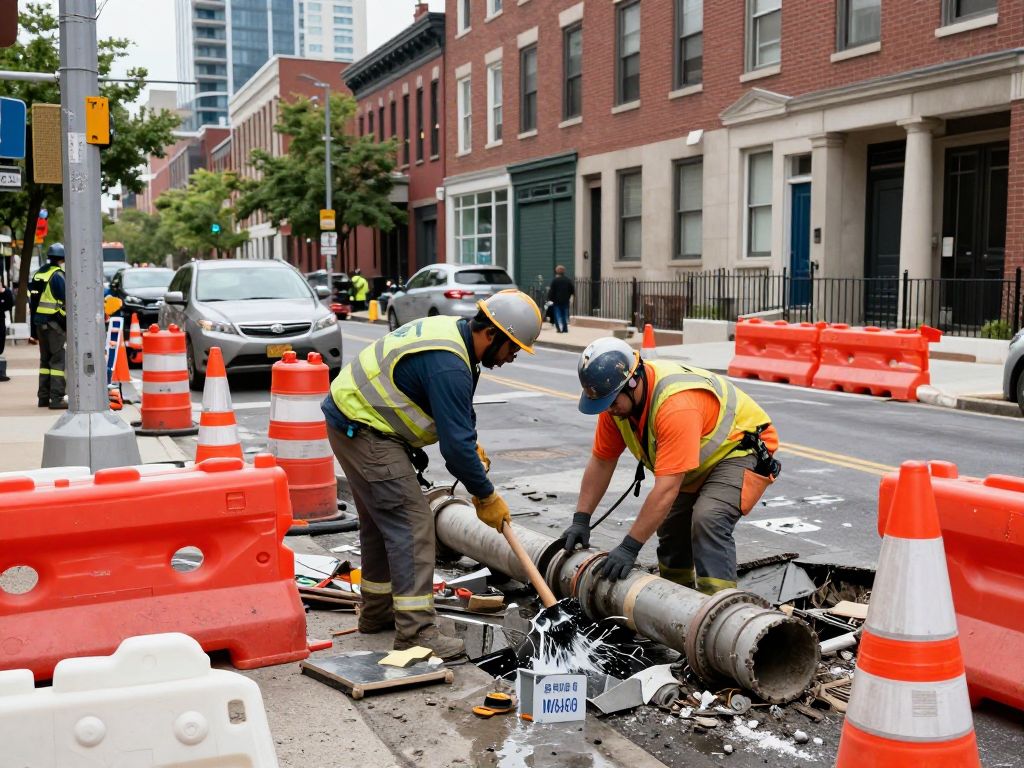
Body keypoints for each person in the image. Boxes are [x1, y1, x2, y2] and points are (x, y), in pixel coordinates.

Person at [322, 289, 543, 659]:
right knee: (412, 523)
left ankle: (377, 613)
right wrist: (485, 495)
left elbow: (456, 420)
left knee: (381, 523)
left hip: (350, 420)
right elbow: (453, 449)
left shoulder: (456, 339)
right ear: (492, 335)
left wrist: (470, 444)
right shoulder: (450, 363)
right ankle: (416, 632)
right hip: (364, 431)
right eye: (512, 348)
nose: (512, 358)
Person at [562, 338, 781, 595]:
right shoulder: (616, 405)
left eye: (611, 402)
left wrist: (629, 547)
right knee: (671, 527)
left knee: (708, 518)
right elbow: (602, 461)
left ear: (633, 382)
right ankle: (674, 603)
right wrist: (581, 519)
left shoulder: (675, 405)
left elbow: (667, 489)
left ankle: (721, 609)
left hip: (739, 449)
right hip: (697, 457)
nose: (609, 411)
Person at [29, 243, 68, 409]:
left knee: (45, 361)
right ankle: (57, 399)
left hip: (40, 324)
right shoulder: (58, 275)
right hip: (54, 325)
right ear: (62, 258)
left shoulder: (39, 274)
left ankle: (43, 398)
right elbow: (66, 300)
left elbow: (34, 302)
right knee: (58, 362)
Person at [546, 265, 575, 334]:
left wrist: (550, 298)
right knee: (565, 315)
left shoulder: (555, 281)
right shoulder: (568, 280)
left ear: (556, 271)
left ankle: (559, 328)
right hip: (565, 301)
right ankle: (565, 329)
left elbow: (551, 291)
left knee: (557, 315)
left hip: (556, 301)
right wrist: (568, 297)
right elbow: (572, 290)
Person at [0, 275, 12, 382]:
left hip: (0, 320)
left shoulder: (6, 292)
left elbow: (9, 305)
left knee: (1, 344)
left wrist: (2, 292)